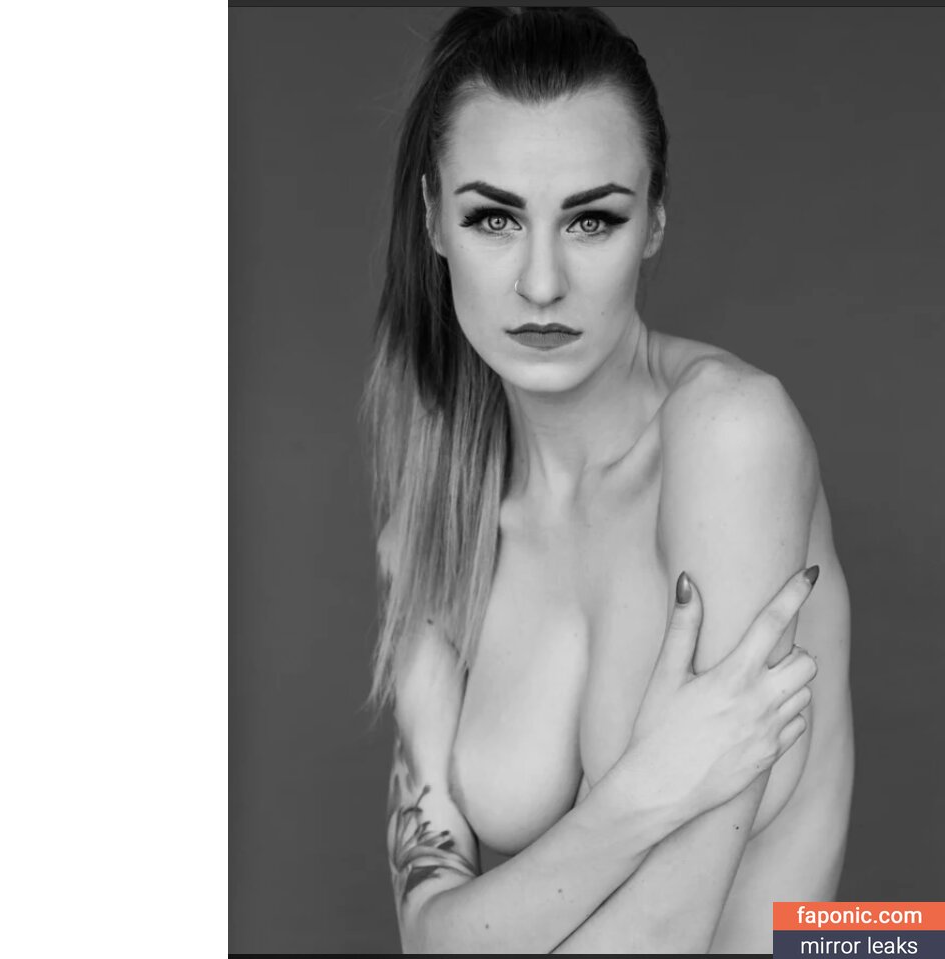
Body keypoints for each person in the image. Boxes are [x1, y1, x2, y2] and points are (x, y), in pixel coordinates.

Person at [362, 7, 853, 954]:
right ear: (433, 221)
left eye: (592, 219)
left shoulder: (730, 434)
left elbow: (671, 929)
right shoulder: (436, 516)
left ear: (654, 220)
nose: (542, 283)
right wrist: (647, 791)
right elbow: (429, 935)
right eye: (494, 217)